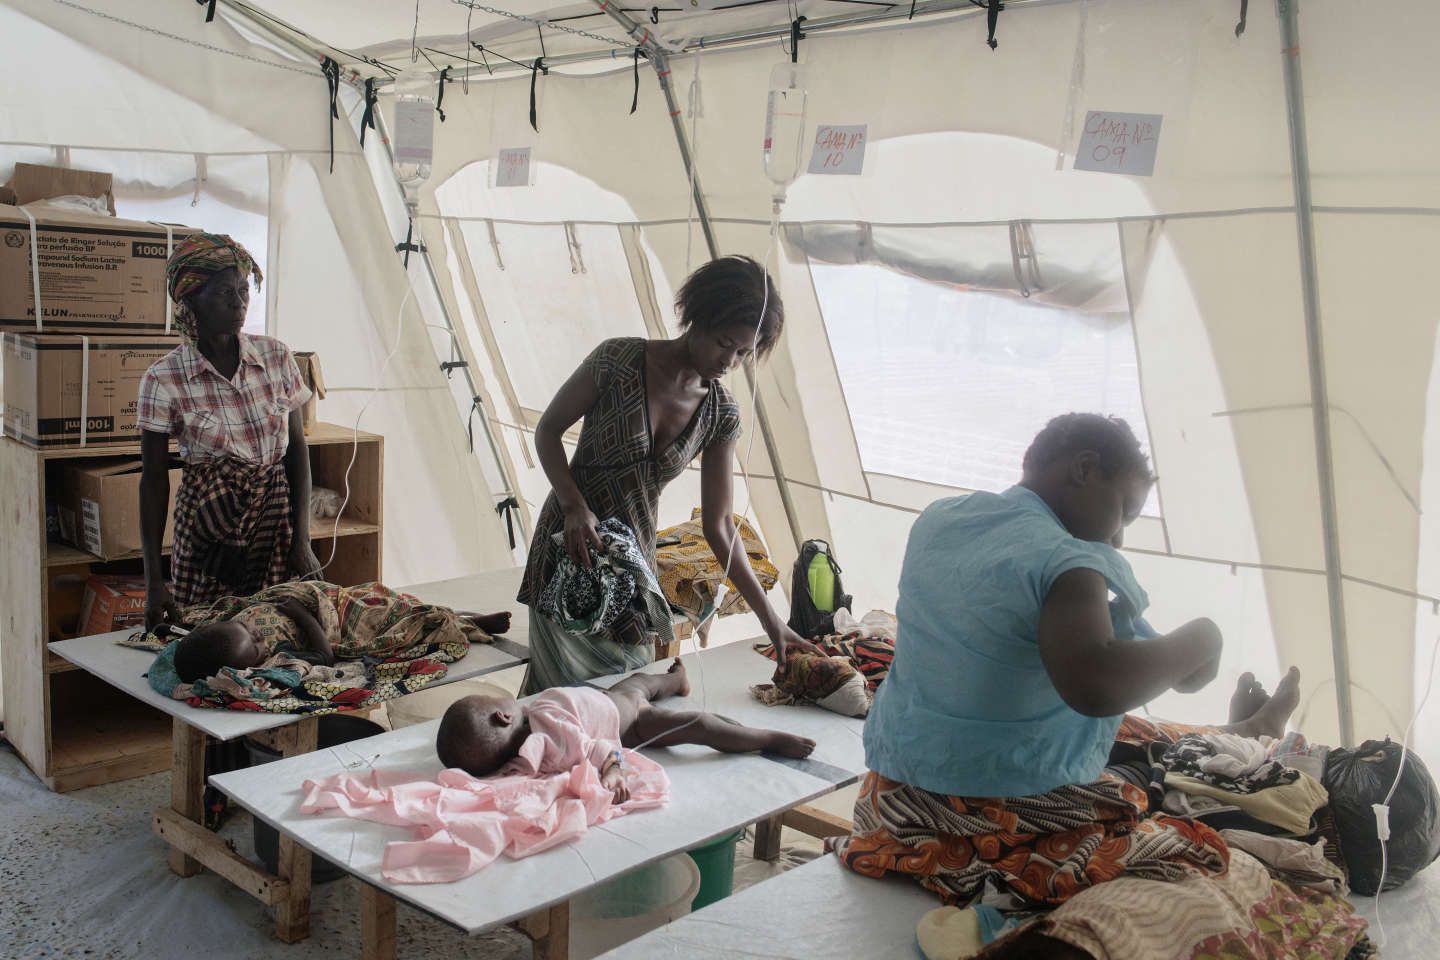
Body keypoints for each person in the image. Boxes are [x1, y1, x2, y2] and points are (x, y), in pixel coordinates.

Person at [833, 412, 1302, 912]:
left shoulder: (942, 519)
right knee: (1179, 819)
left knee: (1138, 733)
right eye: (1125, 509)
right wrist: (1204, 638)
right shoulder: (1069, 561)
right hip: (988, 822)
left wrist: (1170, 660)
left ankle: (1247, 728)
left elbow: (1118, 653)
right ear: (1084, 469)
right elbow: (1096, 686)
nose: (1120, 536)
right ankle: (1249, 735)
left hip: (892, 806)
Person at [516, 256, 819, 693]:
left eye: (743, 353)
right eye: (723, 343)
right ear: (697, 318)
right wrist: (573, 505)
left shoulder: (720, 413)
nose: (730, 362)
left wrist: (773, 623)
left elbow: (719, 526)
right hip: (570, 548)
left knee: (625, 696)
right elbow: (547, 431)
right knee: (556, 700)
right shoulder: (617, 360)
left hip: (634, 563)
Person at [138, 233, 319, 630]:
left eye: (243, 290)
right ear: (191, 301)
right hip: (208, 534)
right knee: (207, 640)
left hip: (273, 519)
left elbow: (296, 450)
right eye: (224, 293)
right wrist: (154, 580)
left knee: (274, 634)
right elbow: (152, 480)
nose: (238, 302)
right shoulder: (164, 378)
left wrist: (301, 539)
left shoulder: (275, 356)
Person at [436, 660, 815, 801]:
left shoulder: (521, 754)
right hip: (628, 721)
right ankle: (766, 738)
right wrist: (613, 768)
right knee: (696, 725)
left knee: (643, 684)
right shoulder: (552, 731)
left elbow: (504, 776)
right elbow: (599, 748)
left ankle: (677, 681)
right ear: (503, 718)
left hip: (603, 701)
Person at [168, 579, 513, 683]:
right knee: (394, 622)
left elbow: (230, 606)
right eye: (256, 648)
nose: (259, 638)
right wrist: (302, 615)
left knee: (377, 599)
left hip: (327, 598)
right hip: (321, 619)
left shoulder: (227, 625)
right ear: (242, 669)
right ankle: (463, 622)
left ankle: (458, 615)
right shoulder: (275, 663)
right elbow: (324, 654)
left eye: (249, 631)